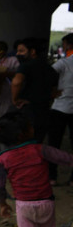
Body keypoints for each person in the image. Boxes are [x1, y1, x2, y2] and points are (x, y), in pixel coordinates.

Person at [12, 37, 58, 143]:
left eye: (21, 51)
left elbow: (16, 82)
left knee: (23, 143)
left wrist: (14, 99)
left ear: (32, 51)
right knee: (37, 143)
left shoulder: (25, 66)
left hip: (28, 110)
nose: (17, 54)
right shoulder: (49, 68)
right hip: (44, 111)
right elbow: (55, 92)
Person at [48, 33, 73, 184]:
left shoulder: (64, 63)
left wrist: (51, 92)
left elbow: (47, 74)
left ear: (69, 46)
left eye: (64, 45)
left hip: (60, 106)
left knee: (54, 143)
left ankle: (52, 176)